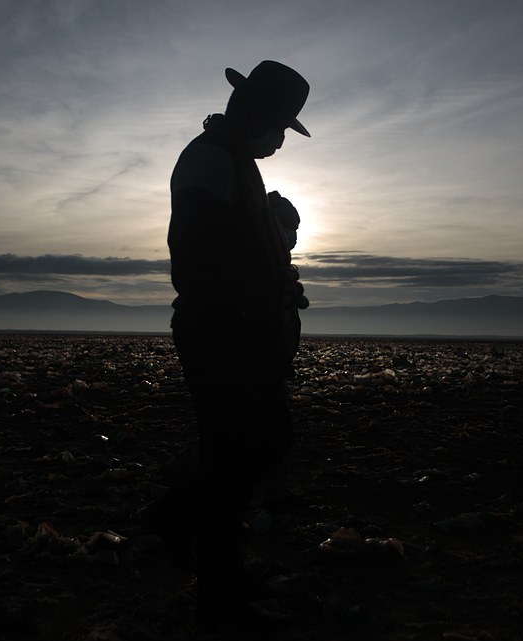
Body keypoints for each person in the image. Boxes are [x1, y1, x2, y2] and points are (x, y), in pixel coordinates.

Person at [151, 60, 311, 631]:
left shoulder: (234, 162)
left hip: (241, 333)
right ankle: (220, 597)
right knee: (238, 455)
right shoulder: (210, 160)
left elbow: (240, 252)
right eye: (279, 129)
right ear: (256, 114)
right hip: (223, 335)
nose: (278, 142)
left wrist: (276, 287)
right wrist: (250, 303)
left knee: (255, 446)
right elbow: (198, 258)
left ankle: (186, 532)